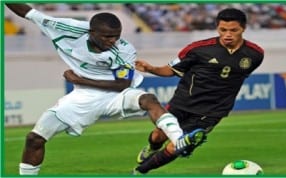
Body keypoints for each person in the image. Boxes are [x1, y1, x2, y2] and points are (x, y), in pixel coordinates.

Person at [6, 3, 205, 175]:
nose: (113, 41)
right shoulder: (66, 28)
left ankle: (179, 140)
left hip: (116, 95)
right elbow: (27, 12)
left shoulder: (124, 49)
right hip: (81, 99)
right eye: (107, 37)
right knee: (34, 139)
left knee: (148, 99)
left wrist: (79, 79)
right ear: (91, 32)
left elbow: (122, 85)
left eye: (116, 36)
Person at [132, 8, 264, 174]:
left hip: (213, 111)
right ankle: (151, 148)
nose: (228, 34)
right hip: (183, 102)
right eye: (223, 30)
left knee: (178, 146)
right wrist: (151, 68)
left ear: (243, 28)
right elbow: (171, 70)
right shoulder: (198, 49)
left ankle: (139, 171)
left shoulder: (255, 54)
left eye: (233, 30)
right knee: (159, 136)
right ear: (217, 28)